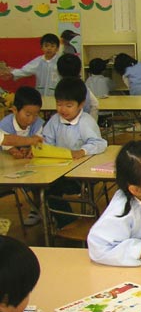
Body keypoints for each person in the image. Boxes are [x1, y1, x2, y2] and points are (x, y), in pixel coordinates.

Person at [42, 77, 107, 216]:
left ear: (81, 104)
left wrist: (82, 151)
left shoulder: (86, 122)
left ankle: (66, 222)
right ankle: (65, 221)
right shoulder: (54, 120)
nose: (62, 109)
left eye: (69, 105)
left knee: (52, 189)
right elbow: (46, 140)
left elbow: (99, 143)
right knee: (45, 187)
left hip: (81, 174)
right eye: (59, 104)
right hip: (58, 170)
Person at [0, 86, 44, 159]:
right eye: (28, 115)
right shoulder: (5, 125)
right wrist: (13, 151)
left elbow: (39, 140)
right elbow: (5, 142)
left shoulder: (38, 124)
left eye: (36, 115)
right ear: (15, 110)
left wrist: (31, 149)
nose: (31, 119)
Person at [57, 53, 99, 121]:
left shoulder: (61, 87)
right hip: (83, 122)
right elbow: (95, 104)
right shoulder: (82, 86)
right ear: (79, 70)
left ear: (59, 71)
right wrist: (92, 122)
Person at [86, 58, 115, 128]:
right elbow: (114, 86)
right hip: (106, 111)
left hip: (92, 112)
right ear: (104, 70)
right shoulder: (106, 80)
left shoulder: (87, 81)